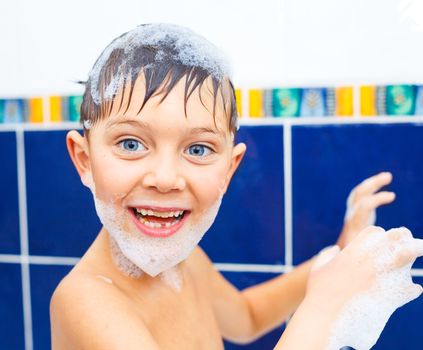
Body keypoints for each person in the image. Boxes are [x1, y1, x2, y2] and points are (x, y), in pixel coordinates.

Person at [50, 23, 422, 349]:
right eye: (131, 144)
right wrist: (325, 308)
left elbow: (246, 318)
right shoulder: (86, 300)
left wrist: (338, 252)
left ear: (229, 170)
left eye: (197, 148)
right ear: (84, 160)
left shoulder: (184, 261)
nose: (164, 179)